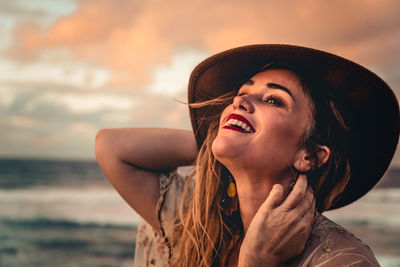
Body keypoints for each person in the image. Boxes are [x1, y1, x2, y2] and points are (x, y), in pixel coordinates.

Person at [95, 44, 399, 267]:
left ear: (309, 155)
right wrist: (218, 141)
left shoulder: (343, 261)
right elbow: (111, 146)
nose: (241, 98)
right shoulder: (198, 225)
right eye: (242, 91)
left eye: (273, 100)